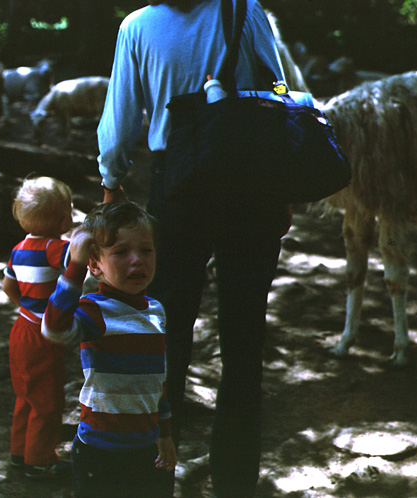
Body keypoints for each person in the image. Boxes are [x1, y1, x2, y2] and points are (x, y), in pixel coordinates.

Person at [96, 0, 294, 495]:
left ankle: (156, 475)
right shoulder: (244, 11)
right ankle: (234, 483)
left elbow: (120, 115)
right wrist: (282, 184)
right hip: (249, 185)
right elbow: (277, 94)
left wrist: (110, 181)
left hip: (176, 189)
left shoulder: (138, 26)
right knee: (244, 340)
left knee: (165, 339)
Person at [42, 201, 177, 498]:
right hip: (100, 449)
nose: (137, 260)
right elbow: (53, 329)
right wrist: (73, 268)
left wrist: (165, 434)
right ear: (95, 265)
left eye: (146, 250)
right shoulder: (94, 310)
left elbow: (158, 380)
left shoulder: (156, 310)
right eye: (120, 252)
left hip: (146, 445)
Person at [2, 176, 74, 479]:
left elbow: (8, 287)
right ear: (61, 219)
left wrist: (29, 306)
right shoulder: (54, 248)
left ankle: (19, 453)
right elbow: (80, 259)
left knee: (26, 395)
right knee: (47, 399)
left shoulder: (18, 249)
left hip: (20, 328)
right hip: (41, 334)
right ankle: (40, 461)